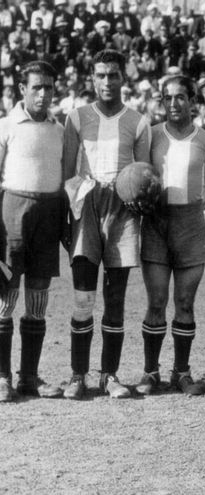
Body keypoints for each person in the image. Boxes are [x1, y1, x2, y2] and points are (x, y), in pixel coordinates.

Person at [62, 49, 151, 400]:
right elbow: (68, 172)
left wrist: (136, 197)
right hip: (86, 203)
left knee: (115, 299)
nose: (107, 81)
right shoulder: (77, 117)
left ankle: (109, 375)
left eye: (113, 75)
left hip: (123, 209)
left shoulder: (139, 121)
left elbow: (143, 176)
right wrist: (68, 215)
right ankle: (77, 375)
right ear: (92, 79)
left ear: (122, 78)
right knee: (83, 299)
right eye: (100, 75)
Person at [136, 76, 205, 396]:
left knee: (185, 302)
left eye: (181, 97)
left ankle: (181, 371)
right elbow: (139, 175)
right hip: (156, 221)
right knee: (156, 302)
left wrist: (189, 208)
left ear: (193, 100)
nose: (174, 104)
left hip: (190, 222)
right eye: (167, 98)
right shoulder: (152, 135)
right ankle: (150, 372)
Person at [0, 61, 64, 402]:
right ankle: (2, 375)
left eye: (48, 87)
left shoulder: (59, 128)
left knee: (38, 294)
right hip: (13, 211)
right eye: (36, 87)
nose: (42, 93)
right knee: (5, 291)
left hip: (48, 213)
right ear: (22, 90)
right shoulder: (6, 126)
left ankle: (29, 375)